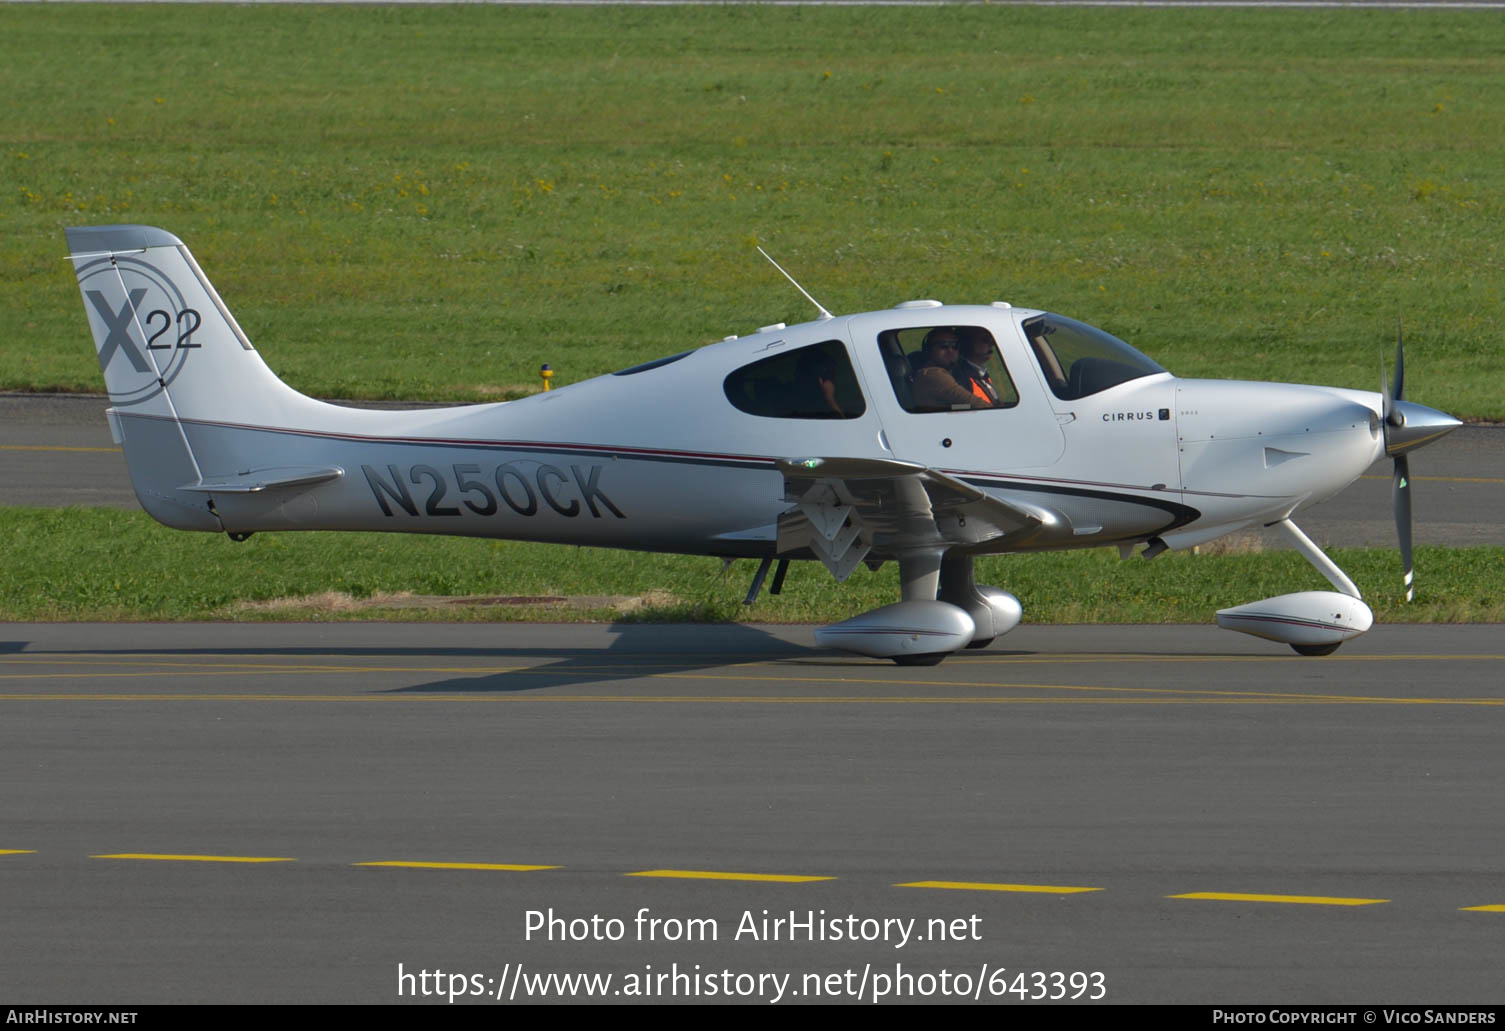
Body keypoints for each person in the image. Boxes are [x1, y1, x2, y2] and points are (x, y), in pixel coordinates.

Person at [910, 328, 992, 411]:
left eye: (955, 346)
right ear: (928, 350)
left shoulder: (949, 374)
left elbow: (956, 407)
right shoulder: (934, 375)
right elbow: (976, 404)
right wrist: (998, 408)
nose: (950, 350)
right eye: (943, 345)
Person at [955, 328, 1001, 407]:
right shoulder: (959, 377)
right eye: (985, 340)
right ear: (967, 343)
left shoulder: (982, 374)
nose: (991, 344)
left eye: (992, 341)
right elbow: (959, 408)